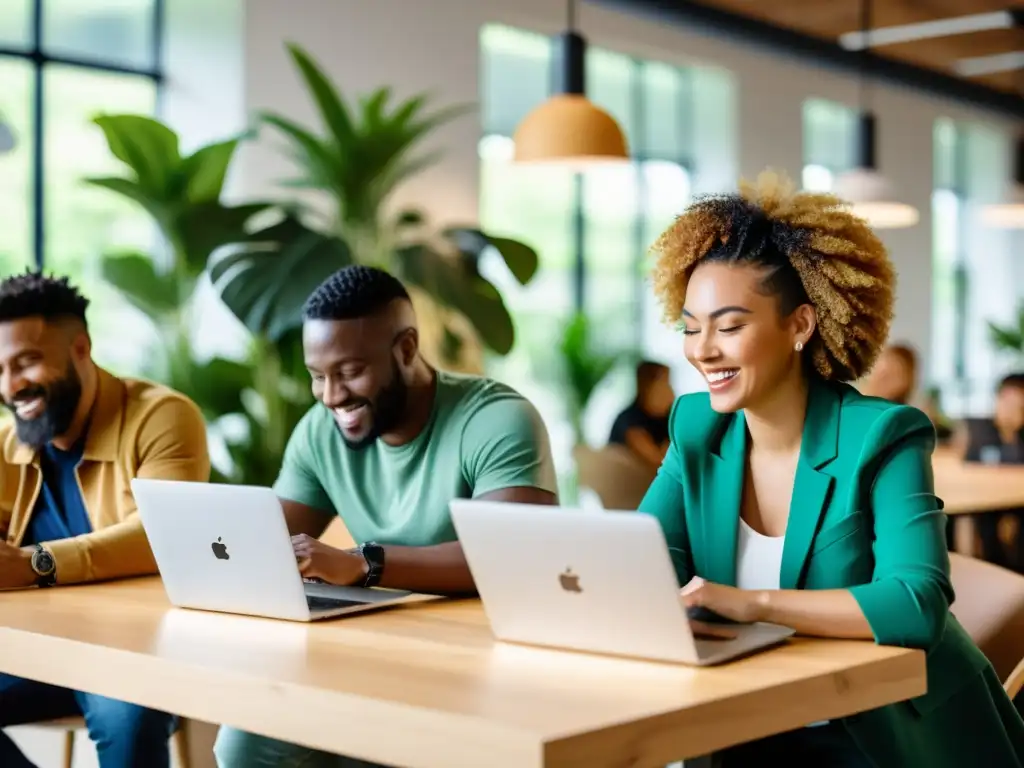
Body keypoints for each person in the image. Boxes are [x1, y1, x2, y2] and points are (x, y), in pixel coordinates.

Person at [637, 171, 1024, 767]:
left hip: (882, 734)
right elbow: (645, 561)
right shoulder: (696, 426)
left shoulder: (883, 435)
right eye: (691, 327)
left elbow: (916, 603)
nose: (702, 350)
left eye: (729, 326)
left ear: (800, 325)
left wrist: (755, 603)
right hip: (750, 719)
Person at [213, 264, 558, 767]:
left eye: (350, 372)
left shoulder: (496, 420)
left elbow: (510, 561)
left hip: (487, 667)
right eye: (317, 377)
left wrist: (363, 563)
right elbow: (264, 539)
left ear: (406, 349)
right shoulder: (319, 433)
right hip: (375, 656)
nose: (332, 396)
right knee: (245, 746)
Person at [0, 271, 210, 768]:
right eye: (0, 369)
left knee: (129, 728)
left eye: (27, 362)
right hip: (39, 651)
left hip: (136, 650)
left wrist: (35, 564)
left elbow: (164, 537)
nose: (11, 387)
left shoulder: (161, 417)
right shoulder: (10, 444)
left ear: (81, 348)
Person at [608, 360, 675, 470]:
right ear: (648, 387)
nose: (670, 390)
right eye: (665, 383)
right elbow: (658, 461)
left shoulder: (667, 420)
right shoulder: (629, 420)